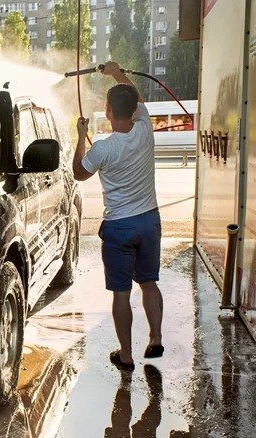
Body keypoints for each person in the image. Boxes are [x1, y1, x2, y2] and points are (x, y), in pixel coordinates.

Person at [73, 61, 164, 371]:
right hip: (149, 221)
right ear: (134, 110)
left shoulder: (102, 148)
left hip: (119, 227)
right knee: (149, 283)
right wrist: (115, 72)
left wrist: (80, 136)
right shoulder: (145, 127)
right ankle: (155, 338)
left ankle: (125, 355)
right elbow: (135, 97)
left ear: (108, 111)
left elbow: (78, 173)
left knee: (121, 293)